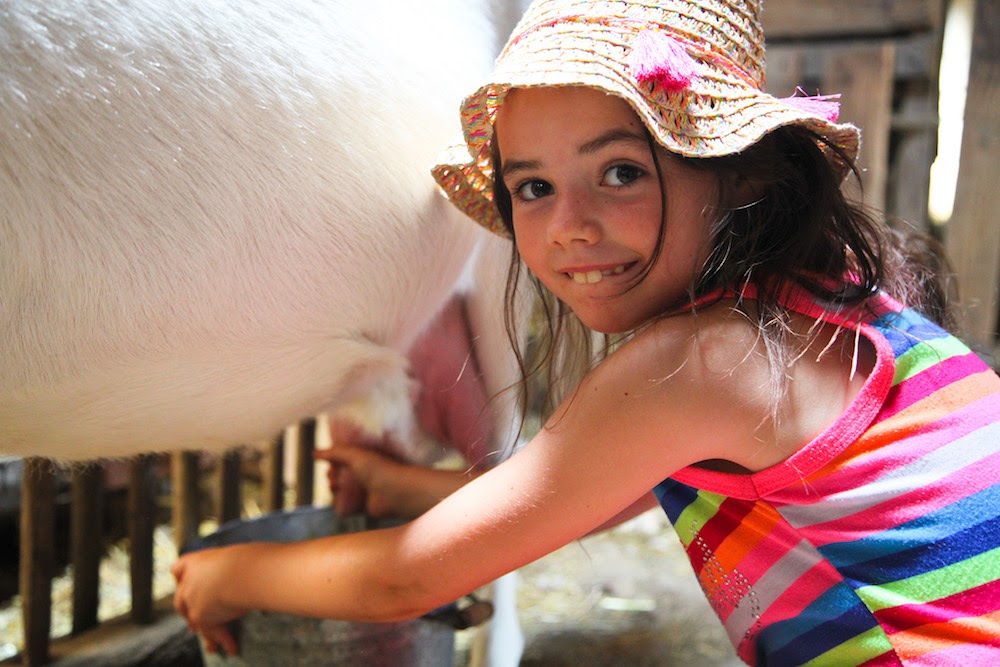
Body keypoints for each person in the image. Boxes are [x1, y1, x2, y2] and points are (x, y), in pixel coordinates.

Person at [172, 0, 1000, 663]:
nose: (568, 226)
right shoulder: (820, 303)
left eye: (620, 172)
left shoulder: (703, 363)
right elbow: (589, 493)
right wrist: (406, 494)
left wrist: (227, 573)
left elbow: (405, 580)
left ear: (741, 176)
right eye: (531, 186)